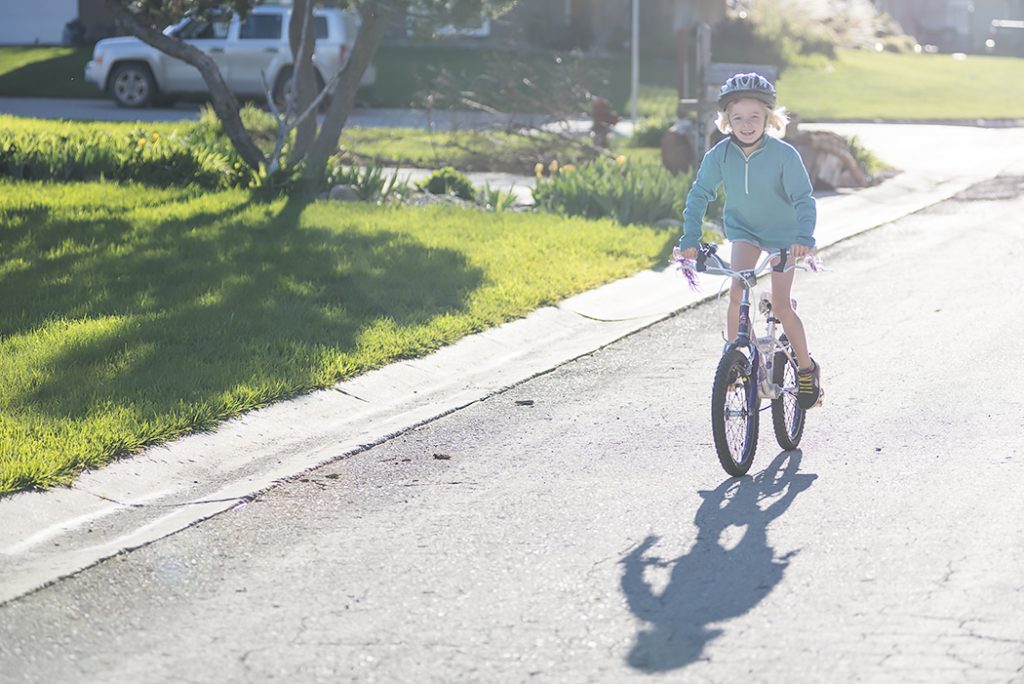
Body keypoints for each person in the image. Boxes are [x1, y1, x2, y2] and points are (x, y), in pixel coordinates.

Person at [676, 72, 822, 409]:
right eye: (737, 117)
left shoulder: (784, 155)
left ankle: (805, 369)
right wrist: (689, 239)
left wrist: (803, 237)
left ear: (769, 119)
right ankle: (740, 360)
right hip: (745, 233)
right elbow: (699, 195)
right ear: (726, 120)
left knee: (782, 306)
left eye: (754, 116)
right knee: (737, 292)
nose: (746, 124)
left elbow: (804, 199)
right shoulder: (720, 155)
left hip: (785, 237)